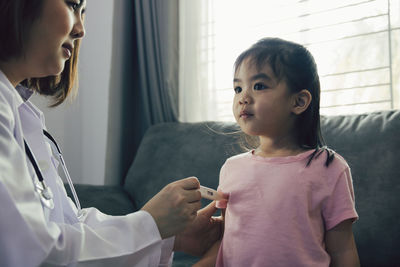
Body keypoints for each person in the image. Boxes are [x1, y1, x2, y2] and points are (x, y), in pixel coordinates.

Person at [0, 0, 221, 266]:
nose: (81, 29)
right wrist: (149, 224)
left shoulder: (22, 114)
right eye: (72, 6)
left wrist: (170, 236)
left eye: (83, 13)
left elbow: (66, 224)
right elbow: (34, 252)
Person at [195, 37, 360, 267]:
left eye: (259, 86)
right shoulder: (232, 168)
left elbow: (343, 251)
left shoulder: (330, 167)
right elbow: (225, 242)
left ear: (299, 101)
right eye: (238, 88)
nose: (243, 97)